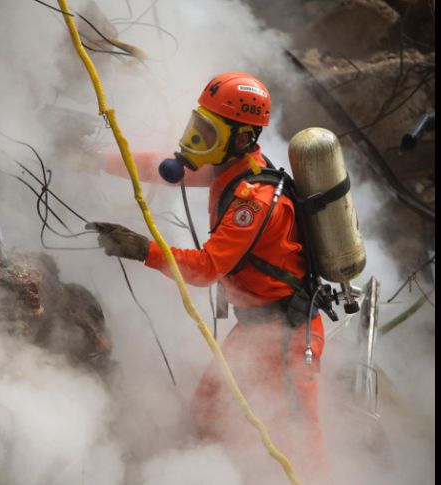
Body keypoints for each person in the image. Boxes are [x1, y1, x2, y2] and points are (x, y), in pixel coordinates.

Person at [88, 72, 329, 482]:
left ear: (242, 137)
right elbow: (161, 169)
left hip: (286, 334)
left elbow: (205, 269)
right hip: (255, 327)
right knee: (209, 414)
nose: (195, 139)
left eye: (208, 131)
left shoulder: (253, 200)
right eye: (197, 125)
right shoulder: (229, 167)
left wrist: (143, 249)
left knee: (298, 442)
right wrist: (97, 160)